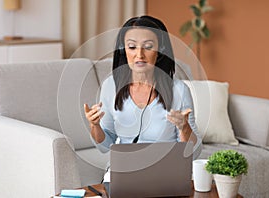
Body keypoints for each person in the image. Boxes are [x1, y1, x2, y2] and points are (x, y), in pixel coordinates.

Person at [84, 15, 202, 181]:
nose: (139, 54)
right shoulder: (111, 86)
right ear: (123, 50)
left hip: (166, 174)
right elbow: (104, 145)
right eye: (132, 47)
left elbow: (194, 152)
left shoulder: (179, 91)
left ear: (160, 51)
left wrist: (184, 128)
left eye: (148, 47)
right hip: (124, 172)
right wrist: (95, 126)